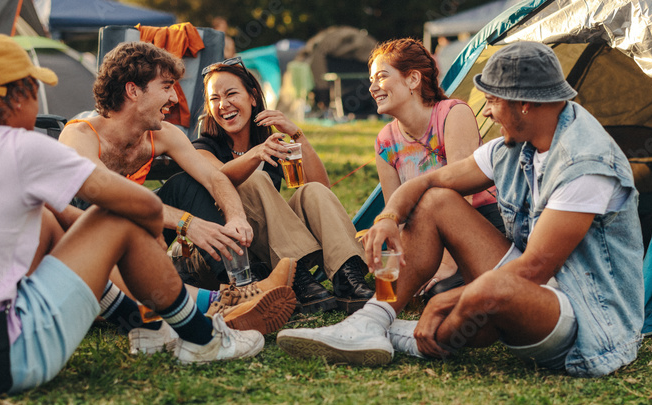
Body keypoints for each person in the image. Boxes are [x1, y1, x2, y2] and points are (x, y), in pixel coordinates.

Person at [0, 35, 263, 394]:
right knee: (119, 217)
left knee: (46, 218)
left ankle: (145, 325)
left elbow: (62, 218)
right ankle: (203, 338)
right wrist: (153, 233)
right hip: (4, 359)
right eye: (32, 90)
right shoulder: (21, 148)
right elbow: (145, 207)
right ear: (15, 94)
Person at [278, 41, 644, 377]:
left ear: (524, 104)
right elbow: (426, 183)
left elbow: (533, 269)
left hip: (584, 318)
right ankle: (373, 321)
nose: (487, 111)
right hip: (534, 287)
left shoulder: (585, 163)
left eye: (493, 101)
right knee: (436, 199)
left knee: (491, 293)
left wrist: (455, 299)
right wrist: (389, 218)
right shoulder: (517, 144)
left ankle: (414, 340)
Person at [58, 42, 296, 334]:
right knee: (111, 210)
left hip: (130, 231)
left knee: (186, 185)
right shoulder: (79, 134)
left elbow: (215, 178)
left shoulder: (162, 134)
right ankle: (219, 302)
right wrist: (186, 223)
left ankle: (243, 288)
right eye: (167, 86)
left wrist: (237, 218)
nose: (174, 97)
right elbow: (104, 193)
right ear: (133, 91)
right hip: (79, 240)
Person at [192, 57, 374, 314]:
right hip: (228, 257)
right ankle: (297, 278)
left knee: (313, 192)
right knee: (253, 179)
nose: (223, 105)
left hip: (271, 246)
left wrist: (297, 134)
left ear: (253, 97)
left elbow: (323, 187)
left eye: (231, 93)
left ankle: (347, 277)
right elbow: (218, 179)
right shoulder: (203, 147)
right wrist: (255, 154)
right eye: (214, 99)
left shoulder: (269, 144)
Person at [368, 38, 504, 297]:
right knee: (398, 290)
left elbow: (461, 193)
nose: (373, 87)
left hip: (480, 220)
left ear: (413, 79)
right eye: (371, 80)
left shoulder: (453, 113)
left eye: (381, 77)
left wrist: (446, 265)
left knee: (439, 291)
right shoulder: (385, 141)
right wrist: (398, 264)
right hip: (429, 233)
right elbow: (397, 215)